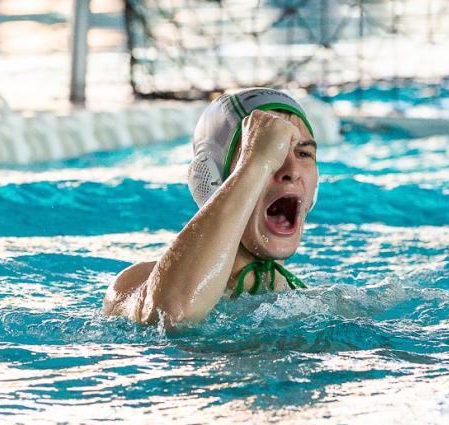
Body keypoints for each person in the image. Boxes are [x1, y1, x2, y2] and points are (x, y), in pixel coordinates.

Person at [104, 88, 318, 326]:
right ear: (212, 180)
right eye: (265, 151)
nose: (292, 171)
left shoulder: (314, 304)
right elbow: (172, 316)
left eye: (303, 153)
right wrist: (258, 163)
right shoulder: (137, 283)